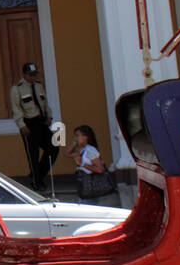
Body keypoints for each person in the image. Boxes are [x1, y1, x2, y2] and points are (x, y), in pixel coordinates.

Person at [10, 61, 58, 190]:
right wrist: (21, 125)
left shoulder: (38, 85)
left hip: (41, 121)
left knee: (53, 147)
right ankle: (37, 183)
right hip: (29, 123)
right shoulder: (17, 88)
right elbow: (16, 108)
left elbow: (44, 102)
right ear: (24, 74)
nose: (32, 77)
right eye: (30, 74)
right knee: (33, 155)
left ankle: (38, 175)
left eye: (34, 74)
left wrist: (49, 116)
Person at [65, 124, 120, 206]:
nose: (75, 138)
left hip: (91, 185)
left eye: (77, 136)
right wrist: (74, 143)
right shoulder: (82, 150)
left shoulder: (90, 150)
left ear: (85, 137)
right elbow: (67, 154)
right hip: (85, 186)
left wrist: (82, 164)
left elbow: (100, 169)